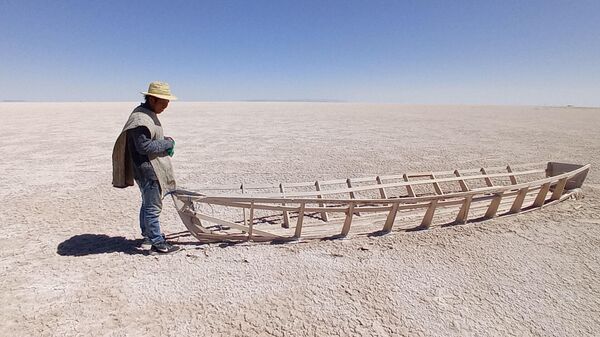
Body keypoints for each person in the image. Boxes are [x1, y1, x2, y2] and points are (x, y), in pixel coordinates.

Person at [112, 81, 180, 254]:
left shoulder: (145, 113)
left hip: (144, 169)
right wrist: (167, 143)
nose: (165, 107)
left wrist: (165, 141)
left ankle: (148, 236)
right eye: (163, 104)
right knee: (153, 207)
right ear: (152, 99)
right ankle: (158, 243)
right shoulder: (141, 119)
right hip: (149, 170)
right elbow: (144, 146)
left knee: (147, 203)